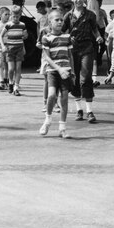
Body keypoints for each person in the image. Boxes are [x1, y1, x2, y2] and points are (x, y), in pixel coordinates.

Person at [62, 0, 104, 123]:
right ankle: (79, 109)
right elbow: (62, 31)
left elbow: (95, 29)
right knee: (74, 78)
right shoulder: (68, 16)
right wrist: (68, 37)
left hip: (87, 48)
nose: (78, 0)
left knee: (85, 78)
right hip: (73, 49)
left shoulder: (90, 15)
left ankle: (89, 111)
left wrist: (98, 37)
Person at [39, 8, 74, 138]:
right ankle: (47, 120)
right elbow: (47, 58)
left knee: (64, 99)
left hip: (66, 71)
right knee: (52, 95)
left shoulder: (67, 37)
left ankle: (62, 128)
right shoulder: (46, 38)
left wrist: (73, 72)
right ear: (50, 22)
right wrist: (59, 69)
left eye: (61, 20)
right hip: (53, 71)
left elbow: (70, 56)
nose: (60, 22)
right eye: (56, 20)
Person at [2, 6, 28, 96]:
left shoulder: (22, 25)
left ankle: (16, 87)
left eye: (17, 17)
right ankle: (10, 82)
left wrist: (25, 36)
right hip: (10, 49)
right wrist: (4, 45)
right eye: (14, 16)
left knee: (18, 68)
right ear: (11, 16)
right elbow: (2, 35)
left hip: (19, 48)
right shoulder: (8, 25)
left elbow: (25, 35)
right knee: (11, 69)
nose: (15, 18)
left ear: (19, 16)